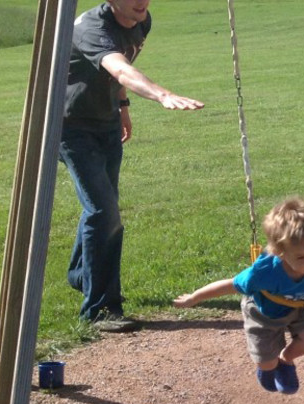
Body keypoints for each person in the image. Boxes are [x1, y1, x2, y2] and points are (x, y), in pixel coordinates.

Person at [60, 0, 204, 333]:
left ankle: (83, 276)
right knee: (103, 211)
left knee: (102, 207)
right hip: (71, 126)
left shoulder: (140, 21)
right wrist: (161, 94)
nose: (141, 1)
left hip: (106, 121)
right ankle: (99, 311)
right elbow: (120, 68)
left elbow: (120, 66)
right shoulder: (92, 28)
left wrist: (122, 105)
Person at [173, 197, 304, 394]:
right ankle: (269, 367)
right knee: (266, 363)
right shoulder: (264, 273)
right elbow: (230, 285)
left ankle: (286, 360)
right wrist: (194, 297)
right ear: (280, 253)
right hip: (264, 312)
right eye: (301, 257)